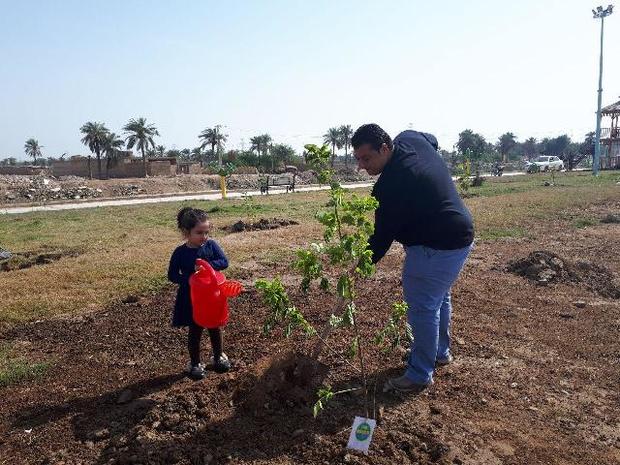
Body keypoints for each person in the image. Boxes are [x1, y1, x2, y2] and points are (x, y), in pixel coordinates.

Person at [352, 124, 474, 394]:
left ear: (385, 148)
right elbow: (432, 140)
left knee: (422, 307)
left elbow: (381, 239)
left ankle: (419, 374)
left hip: (435, 246)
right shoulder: (409, 139)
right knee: (438, 298)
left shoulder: (391, 186)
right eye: (358, 159)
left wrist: (359, 266)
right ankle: (439, 353)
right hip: (460, 233)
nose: (362, 166)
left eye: (367, 158)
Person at [168, 207, 231, 380]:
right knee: (195, 329)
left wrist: (208, 267)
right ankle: (195, 363)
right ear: (186, 232)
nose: (204, 236)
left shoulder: (211, 246)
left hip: (211, 296)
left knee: (214, 327)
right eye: (199, 232)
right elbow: (172, 275)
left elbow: (224, 262)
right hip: (191, 298)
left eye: (206, 232)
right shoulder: (180, 253)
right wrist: (189, 278)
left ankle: (218, 356)